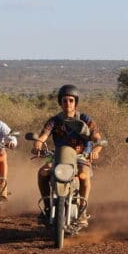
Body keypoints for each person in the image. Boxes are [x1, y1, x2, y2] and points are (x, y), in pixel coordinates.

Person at [31, 85, 103, 218]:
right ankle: (47, 207)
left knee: (83, 176)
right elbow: (43, 136)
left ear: (76, 102)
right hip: (58, 157)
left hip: (81, 157)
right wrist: (38, 145)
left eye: (71, 100)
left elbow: (98, 139)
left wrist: (96, 150)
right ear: (60, 102)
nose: (68, 103)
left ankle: (82, 210)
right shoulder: (54, 121)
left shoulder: (85, 119)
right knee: (42, 173)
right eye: (64, 100)